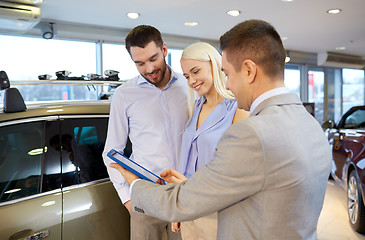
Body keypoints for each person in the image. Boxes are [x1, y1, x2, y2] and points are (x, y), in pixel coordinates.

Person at [111, 19, 332, 239]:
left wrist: (135, 184)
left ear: (248, 70)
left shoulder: (251, 133)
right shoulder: (310, 124)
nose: (226, 84)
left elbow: (195, 199)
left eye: (227, 73)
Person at [103, 25, 188, 240]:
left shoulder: (189, 87)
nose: (149, 69)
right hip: (145, 196)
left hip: (185, 193)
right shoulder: (124, 95)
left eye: (153, 59)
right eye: (139, 63)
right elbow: (112, 152)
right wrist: (128, 199)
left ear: (165, 50)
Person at [171, 42, 248, 239]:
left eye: (196, 72)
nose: (191, 81)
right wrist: (178, 206)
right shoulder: (196, 107)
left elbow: (240, 168)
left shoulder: (238, 109)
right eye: (187, 76)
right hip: (189, 205)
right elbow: (185, 162)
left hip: (219, 210)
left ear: (214, 65)